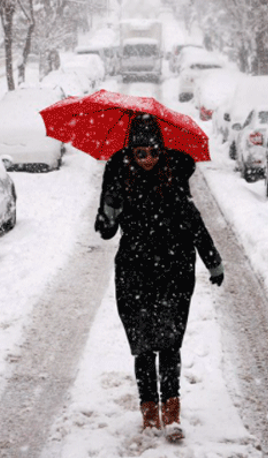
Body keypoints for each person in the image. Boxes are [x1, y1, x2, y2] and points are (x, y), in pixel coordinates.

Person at [94, 113, 224, 442]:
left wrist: (213, 261)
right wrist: (107, 212)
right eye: (141, 153)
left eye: (153, 151)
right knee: (142, 347)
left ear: (161, 149)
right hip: (134, 273)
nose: (148, 159)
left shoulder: (175, 175)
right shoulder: (118, 177)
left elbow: (194, 223)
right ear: (132, 152)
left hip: (174, 272)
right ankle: (149, 412)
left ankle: (172, 411)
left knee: (168, 345)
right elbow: (107, 232)